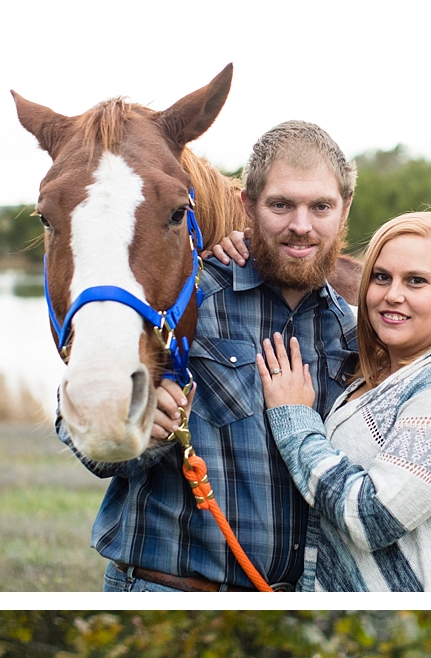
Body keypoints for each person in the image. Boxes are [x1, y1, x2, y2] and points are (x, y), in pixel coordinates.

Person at [63, 121, 363, 592]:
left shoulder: (353, 333)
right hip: (168, 592)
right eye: (281, 205)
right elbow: (88, 433)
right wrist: (148, 430)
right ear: (248, 206)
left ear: (343, 212)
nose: (301, 226)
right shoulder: (190, 300)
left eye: (320, 206)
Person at [247, 209, 431, 591]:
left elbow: (373, 516)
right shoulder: (379, 375)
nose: (393, 295)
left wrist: (295, 421)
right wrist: (242, 245)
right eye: (381, 278)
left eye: (416, 281)